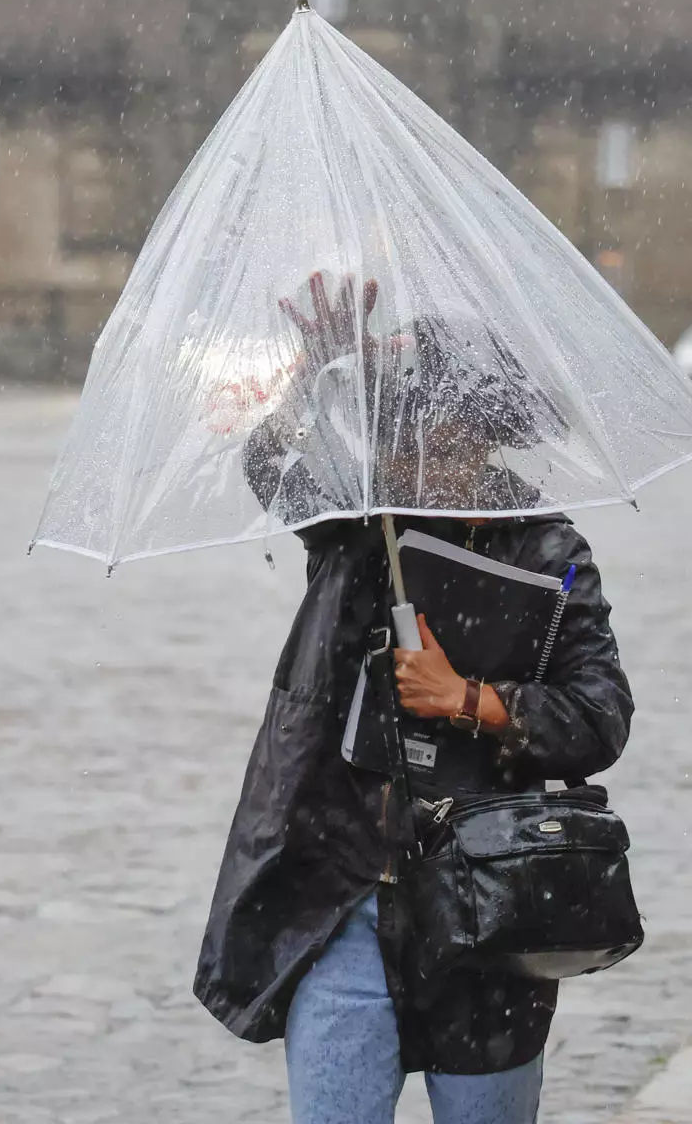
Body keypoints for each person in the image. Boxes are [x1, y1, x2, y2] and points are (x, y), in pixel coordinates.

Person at [195, 273, 632, 1124]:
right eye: (395, 422)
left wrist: (472, 700)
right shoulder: (359, 527)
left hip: (492, 908)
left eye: (434, 424)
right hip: (343, 900)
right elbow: (276, 470)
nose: (413, 448)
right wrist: (313, 376)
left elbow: (601, 712)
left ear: (485, 430)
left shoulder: (550, 551)